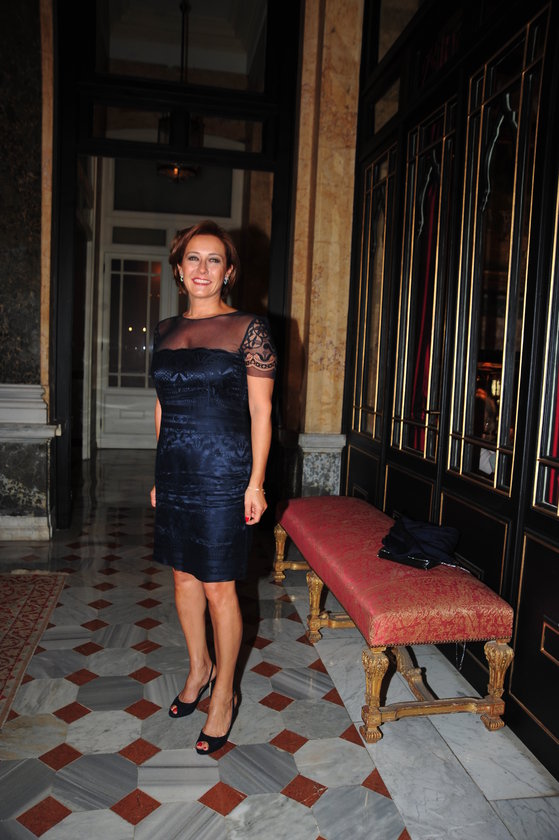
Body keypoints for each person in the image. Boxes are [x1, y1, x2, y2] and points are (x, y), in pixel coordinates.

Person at [149, 220, 276, 754]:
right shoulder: (164, 329)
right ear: (179, 270)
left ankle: (224, 695)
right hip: (176, 471)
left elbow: (262, 411)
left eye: (214, 259)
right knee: (183, 577)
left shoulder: (249, 327)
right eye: (193, 259)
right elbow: (161, 406)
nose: (203, 269)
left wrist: (256, 484)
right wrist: (158, 476)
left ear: (228, 271)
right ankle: (199, 667)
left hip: (225, 471)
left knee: (220, 586)